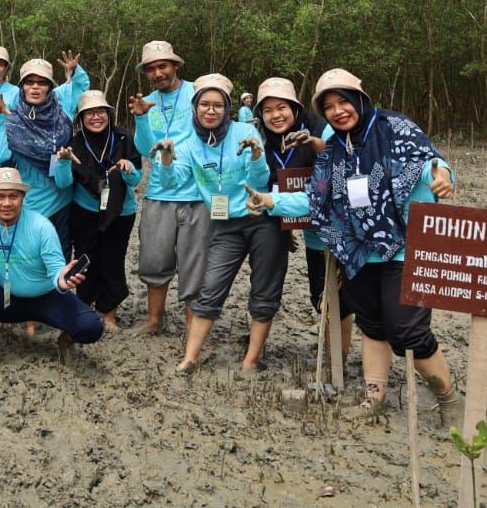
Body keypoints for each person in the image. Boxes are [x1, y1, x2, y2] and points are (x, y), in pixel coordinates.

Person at [252, 68, 461, 423]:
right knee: (373, 324)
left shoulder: (393, 127)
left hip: (404, 245)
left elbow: (428, 162)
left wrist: (442, 175)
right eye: (329, 106)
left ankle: (449, 399)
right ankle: (373, 398)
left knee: (408, 331)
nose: (337, 111)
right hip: (361, 251)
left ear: (360, 99)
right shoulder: (335, 148)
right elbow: (317, 199)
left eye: (343, 101)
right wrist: (272, 202)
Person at [158, 74, 278, 374]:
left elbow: (260, 181)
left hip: (262, 221)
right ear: (195, 107)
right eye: (204, 105)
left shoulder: (244, 131)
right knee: (210, 288)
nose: (210, 111)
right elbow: (173, 182)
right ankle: (191, 357)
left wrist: (255, 155)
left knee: (263, 291)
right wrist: (168, 159)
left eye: (217, 106)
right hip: (225, 224)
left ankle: (250, 361)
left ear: (227, 108)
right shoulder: (188, 142)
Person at [0, 167, 103, 367]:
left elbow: (56, 268)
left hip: (47, 297)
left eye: (13, 196)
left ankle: (64, 341)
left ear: (23, 198)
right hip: (7, 296)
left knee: (91, 327)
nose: (7, 203)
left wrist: (61, 280)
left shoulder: (41, 226)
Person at [244, 77, 351, 357]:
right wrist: (287, 225)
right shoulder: (268, 142)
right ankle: (332, 358)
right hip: (312, 233)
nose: (276, 115)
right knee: (322, 298)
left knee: (340, 301)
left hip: (340, 230)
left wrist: (317, 144)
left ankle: (336, 362)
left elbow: (334, 177)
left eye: (282, 108)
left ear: (295, 107)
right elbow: (278, 183)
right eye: (267, 111)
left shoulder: (322, 129)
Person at [127, 40, 203, 335]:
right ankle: (154, 319)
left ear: (175, 66)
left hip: (196, 191)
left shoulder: (198, 92)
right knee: (154, 258)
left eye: (163, 66)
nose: (158, 73)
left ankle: (192, 325)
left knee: (193, 262)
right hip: (159, 191)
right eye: (151, 69)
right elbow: (146, 149)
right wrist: (141, 118)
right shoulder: (146, 102)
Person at [0, 54, 90, 258]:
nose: (35, 87)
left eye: (42, 83)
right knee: (27, 257)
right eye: (30, 82)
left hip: (60, 199)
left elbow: (81, 85)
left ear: (50, 87)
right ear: (22, 86)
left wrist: (75, 70)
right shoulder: (13, 116)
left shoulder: (61, 101)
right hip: (28, 201)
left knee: (58, 256)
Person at [55, 90, 142, 331]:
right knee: (85, 260)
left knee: (113, 262)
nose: (96, 117)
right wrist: (63, 162)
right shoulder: (73, 143)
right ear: (80, 118)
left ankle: (109, 315)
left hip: (121, 212)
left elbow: (137, 179)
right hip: (85, 211)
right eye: (89, 113)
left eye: (101, 111)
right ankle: (84, 309)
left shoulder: (124, 138)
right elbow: (63, 183)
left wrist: (128, 170)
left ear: (109, 114)